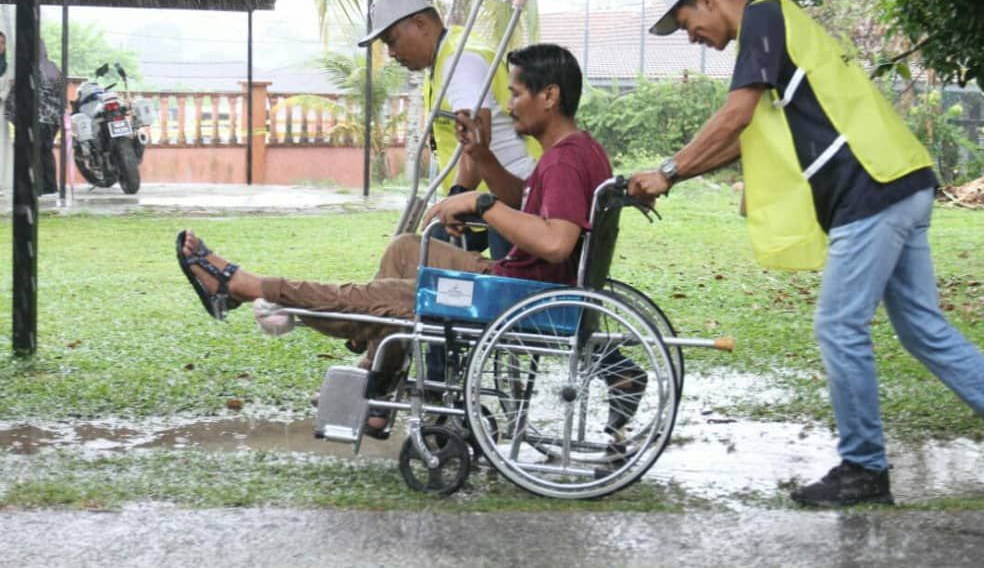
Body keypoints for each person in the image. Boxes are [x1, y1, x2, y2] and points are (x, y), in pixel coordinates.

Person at [629, 0, 984, 508]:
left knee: (840, 326)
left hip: (869, 189)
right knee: (924, 332)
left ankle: (864, 466)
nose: (691, 37)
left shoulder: (764, 16)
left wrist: (668, 169)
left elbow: (735, 117)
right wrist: (671, 177)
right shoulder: (772, 33)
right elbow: (735, 139)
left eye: (686, 22)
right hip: (898, 180)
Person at [177, 44, 642, 437]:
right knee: (405, 248)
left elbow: (557, 243)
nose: (508, 105)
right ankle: (380, 375)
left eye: (516, 94)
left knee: (379, 299)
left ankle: (245, 286)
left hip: (516, 298)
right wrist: (479, 157)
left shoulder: (563, 160)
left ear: (550, 96)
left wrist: (480, 207)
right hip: (516, 283)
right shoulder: (575, 150)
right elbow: (523, 200)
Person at [358, 0, 541, 260]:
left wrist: (457, 195)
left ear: (420, 24)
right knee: (431, 257)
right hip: (488, 195)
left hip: (513, 194)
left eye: (391, 40)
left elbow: (476, 139)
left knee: (504, 283)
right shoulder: (446, 56)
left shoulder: (460, 60)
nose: (391, 53)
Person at [4, 38, 61, 195]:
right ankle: (50, 186)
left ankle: (39, 188)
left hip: (37, 117)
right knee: (46, 151)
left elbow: (21, 92)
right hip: (53, 118)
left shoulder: (28, 67)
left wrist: (11, 113)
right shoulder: (52, 66)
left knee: (34, 152)